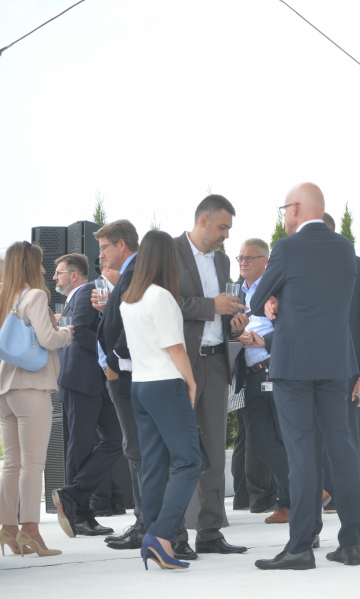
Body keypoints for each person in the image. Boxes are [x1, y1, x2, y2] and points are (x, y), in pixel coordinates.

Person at [253, 183, 360, 570]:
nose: (285, 215)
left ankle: (301, 545)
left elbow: (256, 300)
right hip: (336, 364)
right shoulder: (345, 247)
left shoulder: (286, 248)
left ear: (297, 208)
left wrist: (274, 296)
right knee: (343, 449)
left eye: (285, 208)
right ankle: (351, 542)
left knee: (302, 454)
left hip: (295, 366)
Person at [119, 230, 202, 570]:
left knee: (153, 464)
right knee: (189, 462)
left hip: (140, 386)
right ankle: (162, 535)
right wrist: (191, 382)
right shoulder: (161, 297)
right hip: (166, 384)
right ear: (168, 259)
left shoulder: (128, 300)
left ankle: (153, 535)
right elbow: (175, 348)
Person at [172, 194, 248, 559]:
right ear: (203, 220)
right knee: (178, 452)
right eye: (222, 227)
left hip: (217, 363)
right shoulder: (170, 253)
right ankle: (174, 534)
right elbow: (166, 303)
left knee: (215, 453)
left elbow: (223, 311)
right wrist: (210, 306)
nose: (226, 235)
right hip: (182, 365)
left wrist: (235, 322)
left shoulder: (221, 260)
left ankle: (211, 532)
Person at [0, 241, 73, 557]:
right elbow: (48, 340)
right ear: (30, 265)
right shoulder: (36, 296)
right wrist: (67, 333)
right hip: (31, 387)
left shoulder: (4, 296)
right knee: (33, 463)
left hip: (5, 388)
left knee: (11, 463)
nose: (44, 270)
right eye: (41, 263)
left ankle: (7, 528)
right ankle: (30, 530)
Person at [50, 253, 122, 538]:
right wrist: (111, 356)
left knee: (115, 440)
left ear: (74, 275)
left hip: (89, 380)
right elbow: (80, 332)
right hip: (83, 380)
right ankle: (80, 514)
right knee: (81, 447)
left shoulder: (85, 292)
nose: (54, 277)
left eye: (58, 272)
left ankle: (72, 496)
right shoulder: (83, 294)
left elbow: (78, 330)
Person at [322, 211, 360, 550]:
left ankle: (353, 531)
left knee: (347, 453)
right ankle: (307, 531)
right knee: (306, 456)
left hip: (348, 380)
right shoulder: (291, 268)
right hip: (301, 379)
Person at [92, 220, 145, 550]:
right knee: (135, 449)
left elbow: (135, 322)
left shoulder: (135, 271)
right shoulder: (130, 272)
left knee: (137, 450)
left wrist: (113, 362)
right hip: (124, 372)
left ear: (121, 245)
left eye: (104, 248)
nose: (101, 255)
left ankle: (146, 524)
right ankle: (145, 522)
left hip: (126, 374)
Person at [231, 237, 292, 524]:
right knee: (259, 441)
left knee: (284, 439)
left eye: (249, 258)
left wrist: (262, 341)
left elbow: (292, 329)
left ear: (265, 261)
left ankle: (289, 504)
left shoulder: (277, 289)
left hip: (277, 372)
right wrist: (236, 336)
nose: (243, 262)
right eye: (240, 258)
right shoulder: (235, 293)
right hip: (251, 377)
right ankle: (307, 490)